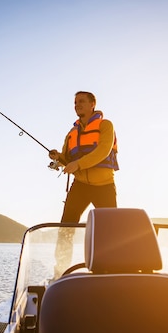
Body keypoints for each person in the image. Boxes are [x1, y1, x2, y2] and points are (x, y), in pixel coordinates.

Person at [48, 91, 119, 277]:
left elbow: (103, 151)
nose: (77, 105)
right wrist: (59, 157)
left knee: (110, 231)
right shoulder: (71, 133)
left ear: (92, 104)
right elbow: (67, 159)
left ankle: (110, 270)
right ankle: (60, 272)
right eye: (75, 102)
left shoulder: (106, 125)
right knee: (66, 228)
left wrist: (77, 164)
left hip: (104, 185)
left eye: (81, 101)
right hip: (80, 185)